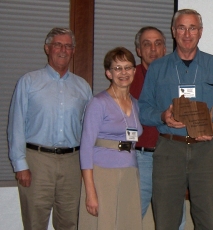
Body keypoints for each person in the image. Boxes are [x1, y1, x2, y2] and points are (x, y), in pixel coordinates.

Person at [138, 9, 213, 230]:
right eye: (181, 27)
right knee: (166, 220)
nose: (187, 34)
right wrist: (163, 116)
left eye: (192, 28)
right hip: (170, 149)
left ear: (200, 32)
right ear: (173, 31)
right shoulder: (158, 67)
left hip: (206, 150)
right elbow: (143, 108)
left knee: (208, 220)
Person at [7, 27, 92, 230]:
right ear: (47, 48)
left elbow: (88, 130)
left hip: (72, 162)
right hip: (37, 162)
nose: (63, 50)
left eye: (68, 46)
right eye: (58, 45)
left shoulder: (83, 87)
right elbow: (16, 124)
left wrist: (87, 165)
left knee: (70, 222)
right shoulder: (29, 82)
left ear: (73, 51)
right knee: (35, 223)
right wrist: (20, 166)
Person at [78, 47, 143, 229]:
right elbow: (86, 147)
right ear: (108, 73)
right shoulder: (98, 103)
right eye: (117, 68)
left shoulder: (136, 104)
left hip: (130, 172)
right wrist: (90, 191)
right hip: (103, 173)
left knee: (127, 224)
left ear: (134, 71)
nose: (123, 72)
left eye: (128, 67)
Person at [131, 26, 187, 229]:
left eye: (158, 43)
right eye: (146, 44)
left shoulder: (180, 74)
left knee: (175, 220)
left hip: (173, 157)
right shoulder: (128, 77)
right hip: (141, 158)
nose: (153, 49)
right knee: (132, 216)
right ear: (138, 50)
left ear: (165, 49)